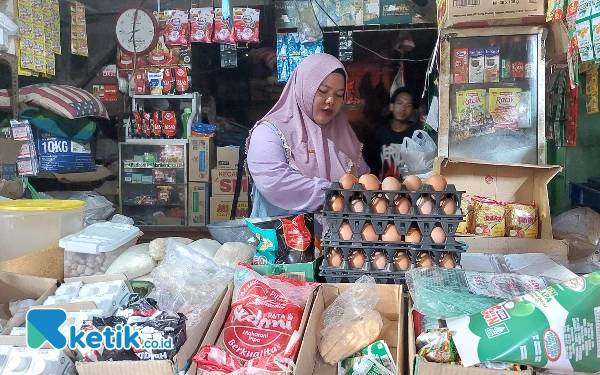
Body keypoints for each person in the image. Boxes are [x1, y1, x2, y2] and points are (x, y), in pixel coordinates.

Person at [246, 53, 369, 218]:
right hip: (281, 239)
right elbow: (275, 182)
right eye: (323, 91)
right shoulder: (268, 132)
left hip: (337, 240)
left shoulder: (344, 134)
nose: (331, 100)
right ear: (303, 87)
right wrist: (335, 195)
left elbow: (364, 180)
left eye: (339, 95)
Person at [372, 87, 419, 180]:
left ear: (413, 110)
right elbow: (376, 165)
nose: (403, 108)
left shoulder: (417, 134)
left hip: (410, 188)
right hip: (385, 188)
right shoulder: (381, 133)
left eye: (408, 105)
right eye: (399, 103)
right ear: (391, 106)